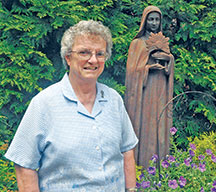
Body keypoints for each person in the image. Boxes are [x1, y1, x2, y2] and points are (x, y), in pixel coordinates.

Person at [5, 20, 138, 192]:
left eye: (100, 54)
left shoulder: (114, 100)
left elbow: (127, 150)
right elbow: (24, 165)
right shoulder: (44, 104)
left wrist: (131, 189)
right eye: (84, 52)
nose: (93, 60)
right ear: (68, 57)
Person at [124, 6, 174, 168]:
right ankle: (141, 167)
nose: (154, 23)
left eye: (157, 19)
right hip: (143, 94)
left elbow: (169, 66)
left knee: (158, 125)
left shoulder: (162, 42)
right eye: (151, 19)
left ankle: (159, 168)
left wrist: (168, 60)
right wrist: (147, 68)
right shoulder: (137, 44)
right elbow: (132, 71)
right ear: (144, 21)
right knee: (145, 126)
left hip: (160, 90)